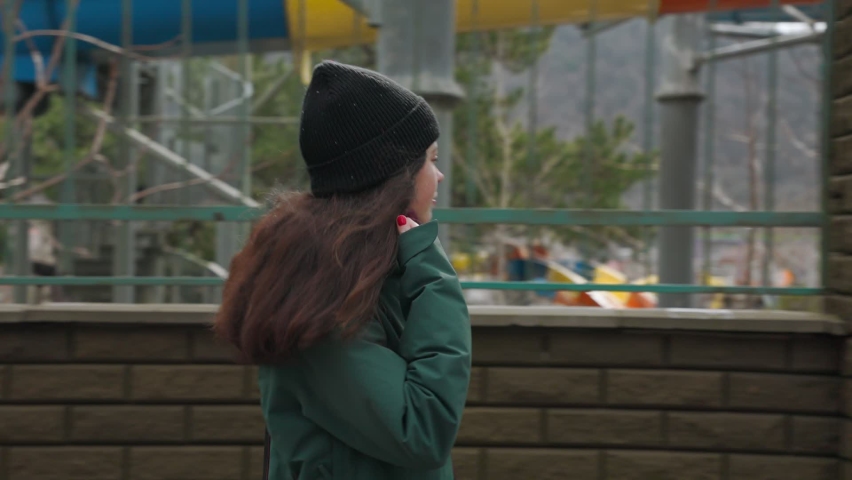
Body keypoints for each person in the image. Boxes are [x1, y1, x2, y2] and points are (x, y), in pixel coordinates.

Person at [213, 61, 472, 480]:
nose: (439, 175)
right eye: (430, 160)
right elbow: (423, 430)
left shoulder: (360, 275)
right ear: (393, 176)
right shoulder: (323, 302)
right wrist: (434, 274)